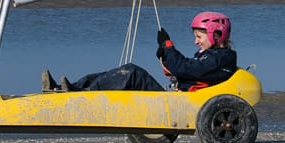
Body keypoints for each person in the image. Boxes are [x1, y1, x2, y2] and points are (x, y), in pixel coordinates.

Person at [41, 11, 237, 93]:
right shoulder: (211, 56)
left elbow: (185, 68)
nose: (195, 41)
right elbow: (183, 69)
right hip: (180, 98)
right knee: (122, 72)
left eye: (199, 37)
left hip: (183, 104)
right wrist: (164, 53)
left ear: (216, 35)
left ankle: (81, 95)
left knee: (131, 73)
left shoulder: (222, 57)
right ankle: (69, 88)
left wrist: (169, 47)